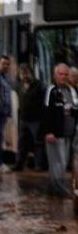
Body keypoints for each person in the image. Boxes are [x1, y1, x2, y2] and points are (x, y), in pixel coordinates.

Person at [43, 63, 77, 198]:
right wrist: (48, 131)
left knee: (63, 161)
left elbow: (74, 109)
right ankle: (58, 188)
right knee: (58, 162)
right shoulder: (51, 90)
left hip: (68, 133)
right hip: (55, 133)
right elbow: (46, 111)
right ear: (55, 75)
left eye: (65, 74)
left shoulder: (71, 91)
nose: (63, 77)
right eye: (60, 74)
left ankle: (54, 188)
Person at [13, 64, 46, 171]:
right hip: (23, 119)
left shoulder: (38, 85)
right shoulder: (19, 86)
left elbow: (43, 103)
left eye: (26, 73)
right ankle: (19, 164)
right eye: (22, 74)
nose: (24, 76)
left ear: (31, 74)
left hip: (36, 119)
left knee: (38, 142)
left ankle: (38, 165)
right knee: (22, 142)